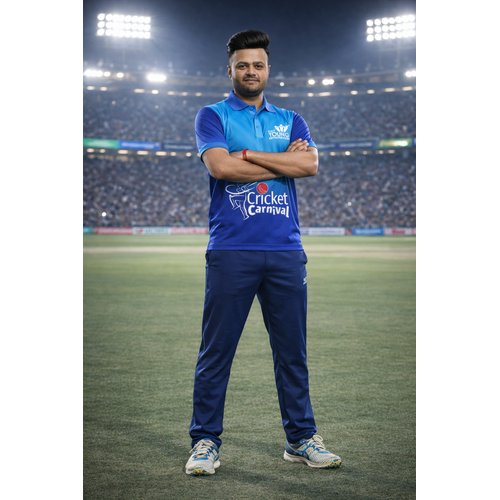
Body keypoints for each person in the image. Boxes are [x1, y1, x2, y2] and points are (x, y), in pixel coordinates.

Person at [185, 29, 342, 476]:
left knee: (292, 352)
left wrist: (249, 154)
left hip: (286, 252)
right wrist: (279, 161)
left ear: (268, 69)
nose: (250, 71)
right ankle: (205, 442)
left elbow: (309, 164)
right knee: (216, 353)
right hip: (231, 250)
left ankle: (301, 439)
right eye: (243, 65)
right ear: (230, 70)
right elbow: (220, 167)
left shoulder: (291, 119)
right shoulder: (212, 115)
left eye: (258, 65)